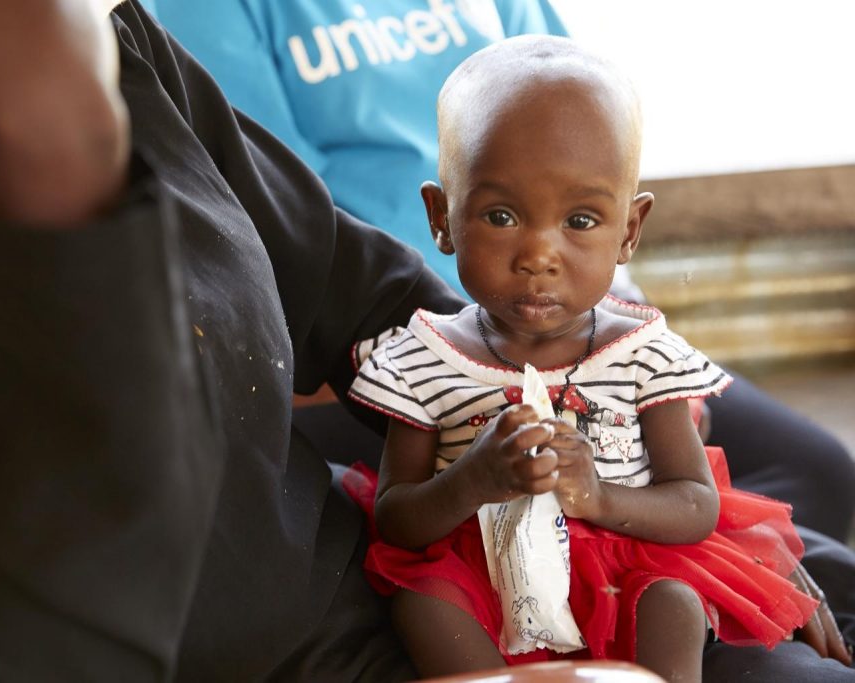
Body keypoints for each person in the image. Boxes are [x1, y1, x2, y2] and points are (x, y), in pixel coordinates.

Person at [0, 1, 852, 682]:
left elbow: (349, 283)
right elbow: (49, 641)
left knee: (813, 575)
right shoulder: (27, 93)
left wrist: (701, 533)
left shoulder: (104, 40)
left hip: (386, 593)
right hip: (384, 628)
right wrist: (49, 154)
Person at [150, 0, 855, 543]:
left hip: (576, 323)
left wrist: (622, 343)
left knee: (812, 477)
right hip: (406, 351)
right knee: (692, 529)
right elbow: (280, 237)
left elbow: (587, 140)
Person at [344, 35, 846, 681]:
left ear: (629, 231)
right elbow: (397, 519)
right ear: (441, 217)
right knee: (422, 604)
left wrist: (599, 496)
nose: (539, 254)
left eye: (581, 221)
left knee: (674, 601)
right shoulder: (424, 357)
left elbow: (696, 502)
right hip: (480, 570)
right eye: (500, 215)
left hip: (623, 563)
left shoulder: (642, 354)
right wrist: (472, 480)